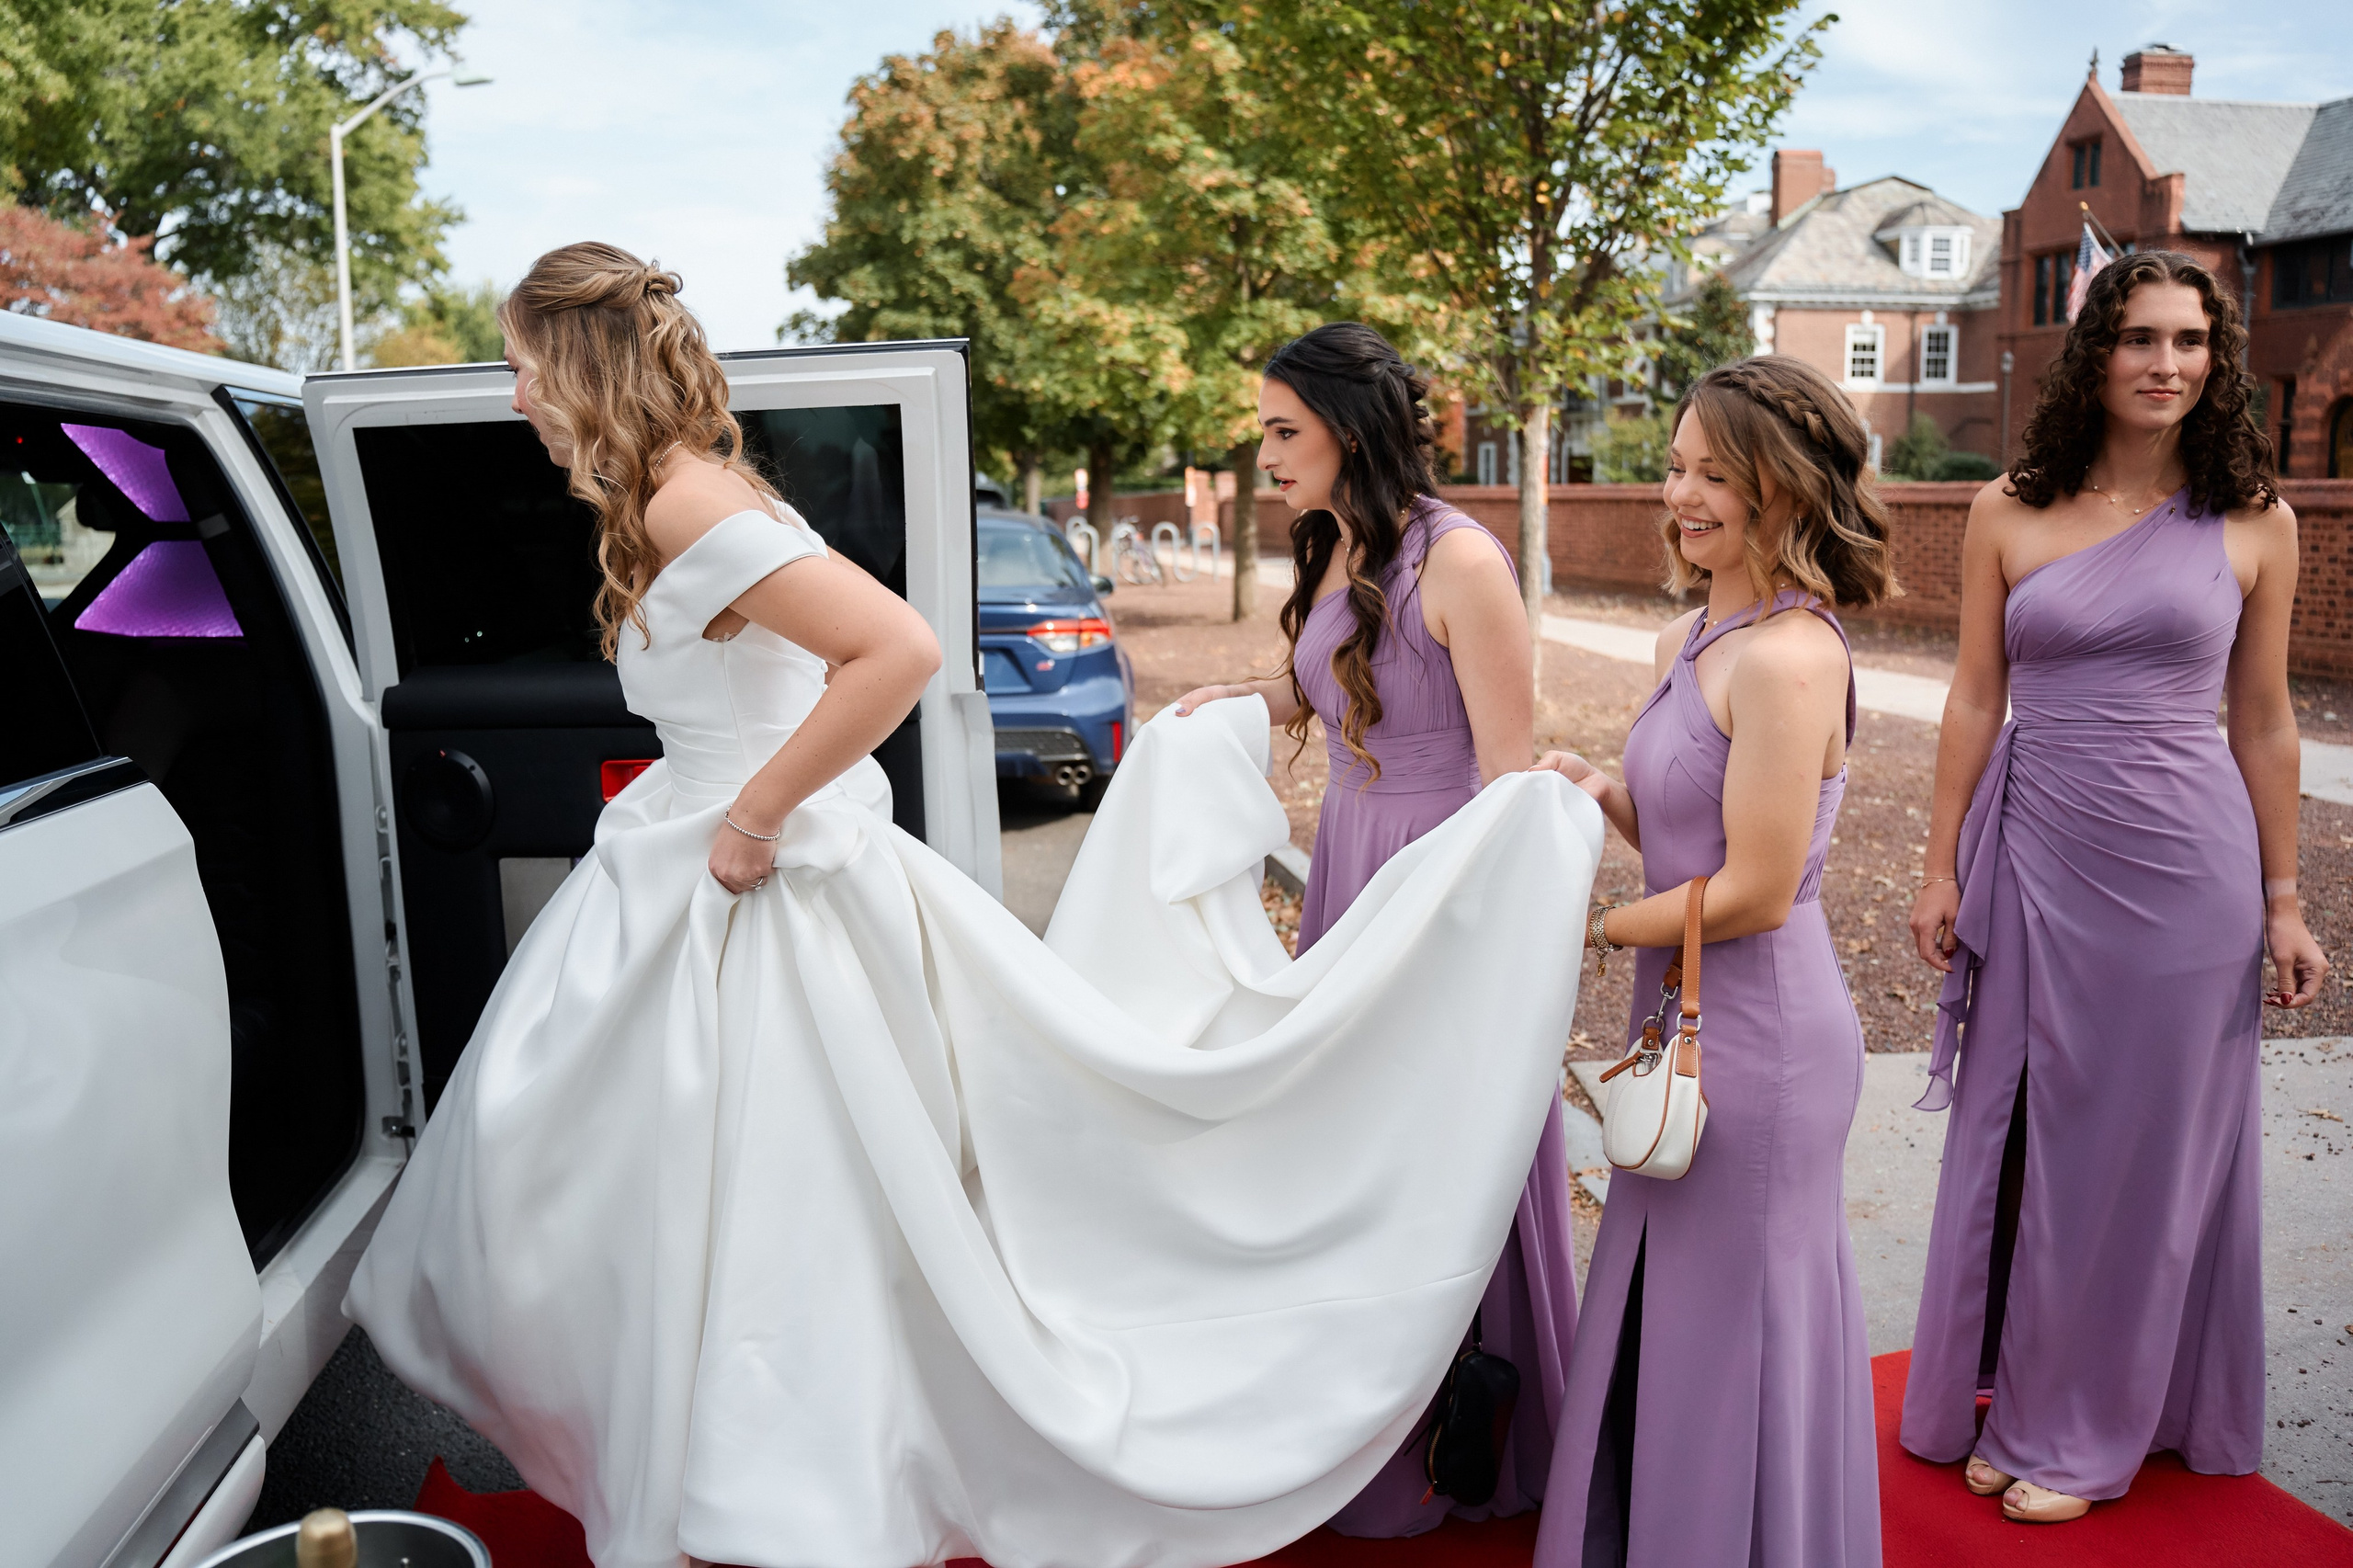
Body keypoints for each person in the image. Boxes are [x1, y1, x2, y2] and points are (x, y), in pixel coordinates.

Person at [344, 246, 1607, 1568]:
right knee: (723, 1196)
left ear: (581, 368)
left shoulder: (681, 500)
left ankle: (770, 1477)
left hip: (753, 882)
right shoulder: (676, 492)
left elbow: (896, 650)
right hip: (699, 876)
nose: (514, 398)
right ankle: (743, 1469)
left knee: (755, 1197)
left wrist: (753, 812)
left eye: (524, 369)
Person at [1900, 251, 2328, 1523]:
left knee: (2139, 1160)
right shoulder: (2006, 511)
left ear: (2218, 358)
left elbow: (2264, 722)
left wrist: (2287, 897)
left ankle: (2080, 1429)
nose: (2167, 363)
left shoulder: (2258, 520)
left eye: (2192, 341)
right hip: (2035, 852)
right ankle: (2017, 1391)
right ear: (2095, 353)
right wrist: (1939, 859)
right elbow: (1977, 696)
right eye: (2141, 338)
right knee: (2027, 1140)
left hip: (2188, 881)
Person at [1174, 321, 1575, 1536]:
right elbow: (1327, 674)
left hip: (1436, 892)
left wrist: (1479, 953)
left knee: (1444, 1146)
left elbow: (1512, 780)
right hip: (1351, 863)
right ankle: (1366, 1429)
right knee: (1355, 1151)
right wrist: (1237, 699)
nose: (1265, 452)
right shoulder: (1341, 537)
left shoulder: (1462, 562)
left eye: (1282, 429)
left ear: (1348, 429)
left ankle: (1483, 1434)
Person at [1528, 356, 1891, 1567]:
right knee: (1669, 1318)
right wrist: (1596, 791)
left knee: (1737, 1326)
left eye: (1710, 473)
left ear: (1781, 491)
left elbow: (1756, 889)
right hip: (1675, 1010)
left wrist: (1588, 925)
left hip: (1762, 1035)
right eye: (1675, 466)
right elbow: (1683, 820)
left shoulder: (1794, 654)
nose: (1678, 493)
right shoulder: (1691, 634)